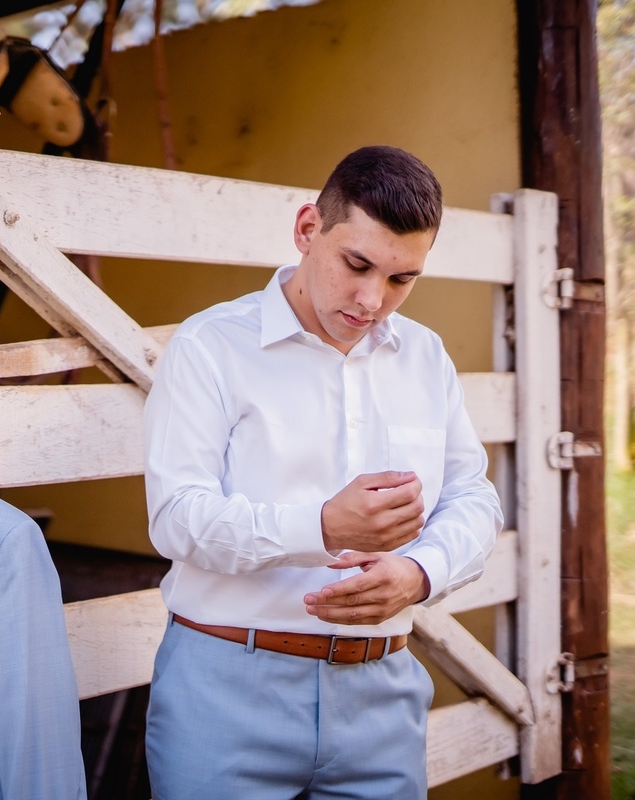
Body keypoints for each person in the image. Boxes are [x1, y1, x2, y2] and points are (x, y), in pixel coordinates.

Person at [142, 145, 504, 799]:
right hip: (226, 694)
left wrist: (422, 572)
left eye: (401, 279)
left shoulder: (425, 357)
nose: (372, 300)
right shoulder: (209, 347)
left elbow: (472, 495)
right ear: (309, 229)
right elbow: (175, 518)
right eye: (357, 264)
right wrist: (323, 525)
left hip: (383, 696)